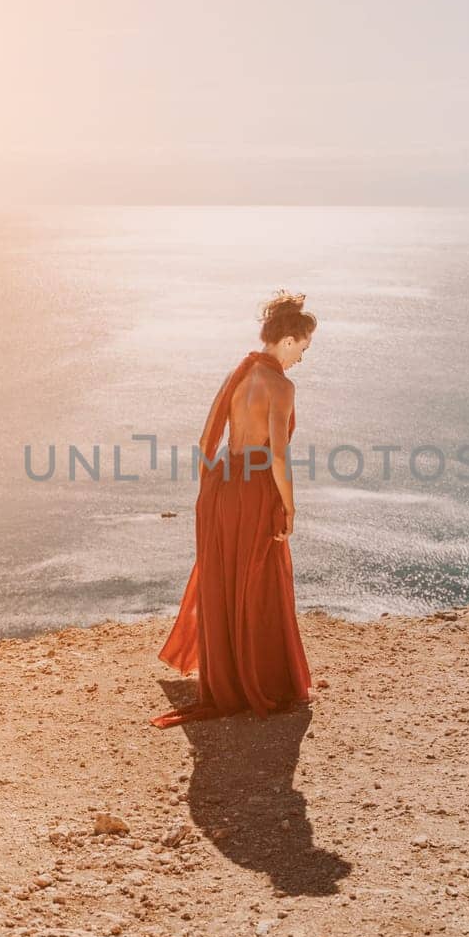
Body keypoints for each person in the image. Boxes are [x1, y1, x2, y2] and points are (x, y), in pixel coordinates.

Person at [151, 291, 317, 728]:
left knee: (228, 577)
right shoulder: (280, 385)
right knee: (261, 581)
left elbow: (209, 440)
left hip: (224, 483)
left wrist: (212, 488)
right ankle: (261, 681)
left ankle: (231, 677)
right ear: (287, 339)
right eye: (303, 345)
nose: (303, 355)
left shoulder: (240, 374)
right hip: (255, 487)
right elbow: (277, 457)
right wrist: (290, 506)